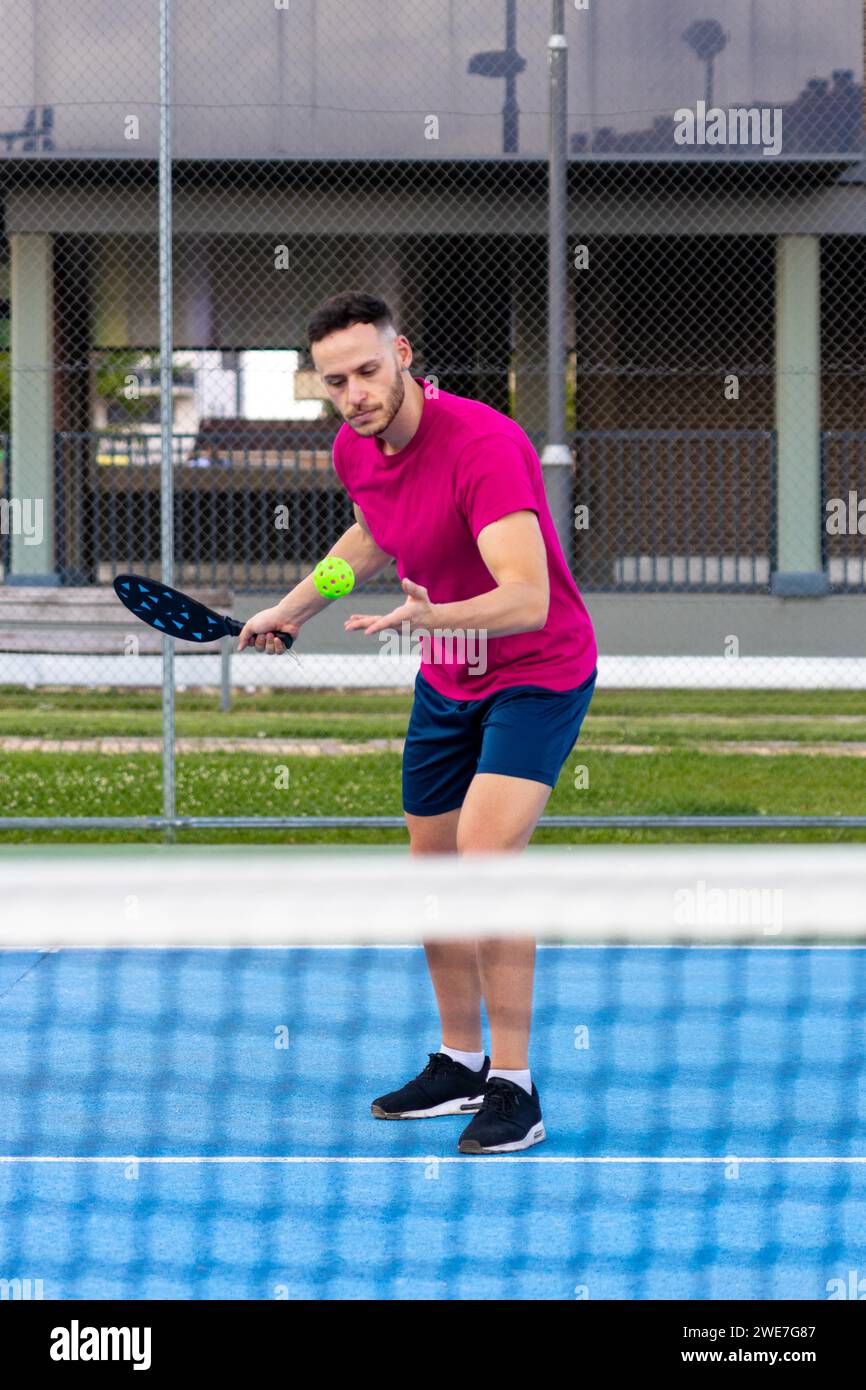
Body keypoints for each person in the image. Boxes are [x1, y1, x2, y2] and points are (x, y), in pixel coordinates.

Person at [238, 291, 597, 1153]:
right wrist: (293, 609)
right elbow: (365, 538)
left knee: (484, 857)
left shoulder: (483, 444)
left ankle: (515, 1086)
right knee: (432, 868)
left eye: (368, 370)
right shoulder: (354, 449)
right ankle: (460, 1061)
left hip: (534, 672)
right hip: (448, 682)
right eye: (337, 381)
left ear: (402, 355)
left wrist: (433, 619)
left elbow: (526, 597)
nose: (356, 392)